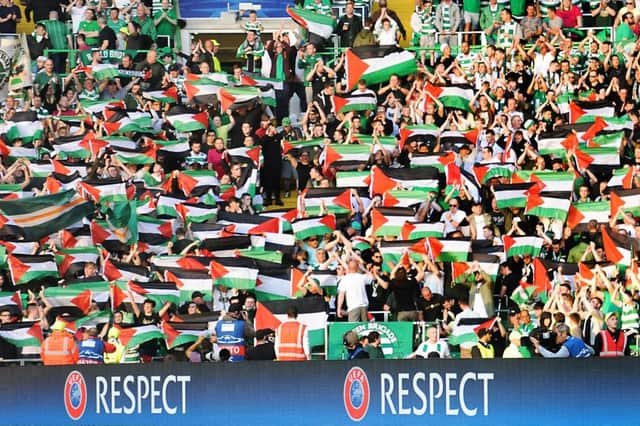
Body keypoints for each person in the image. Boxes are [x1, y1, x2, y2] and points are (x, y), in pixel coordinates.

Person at [530, 323, 595, 358]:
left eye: (556, 334)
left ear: (563, 334)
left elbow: (553, 358)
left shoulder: (566, 347)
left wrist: (537, 345)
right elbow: (592, 351)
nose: (555, 337)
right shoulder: (577, 339)